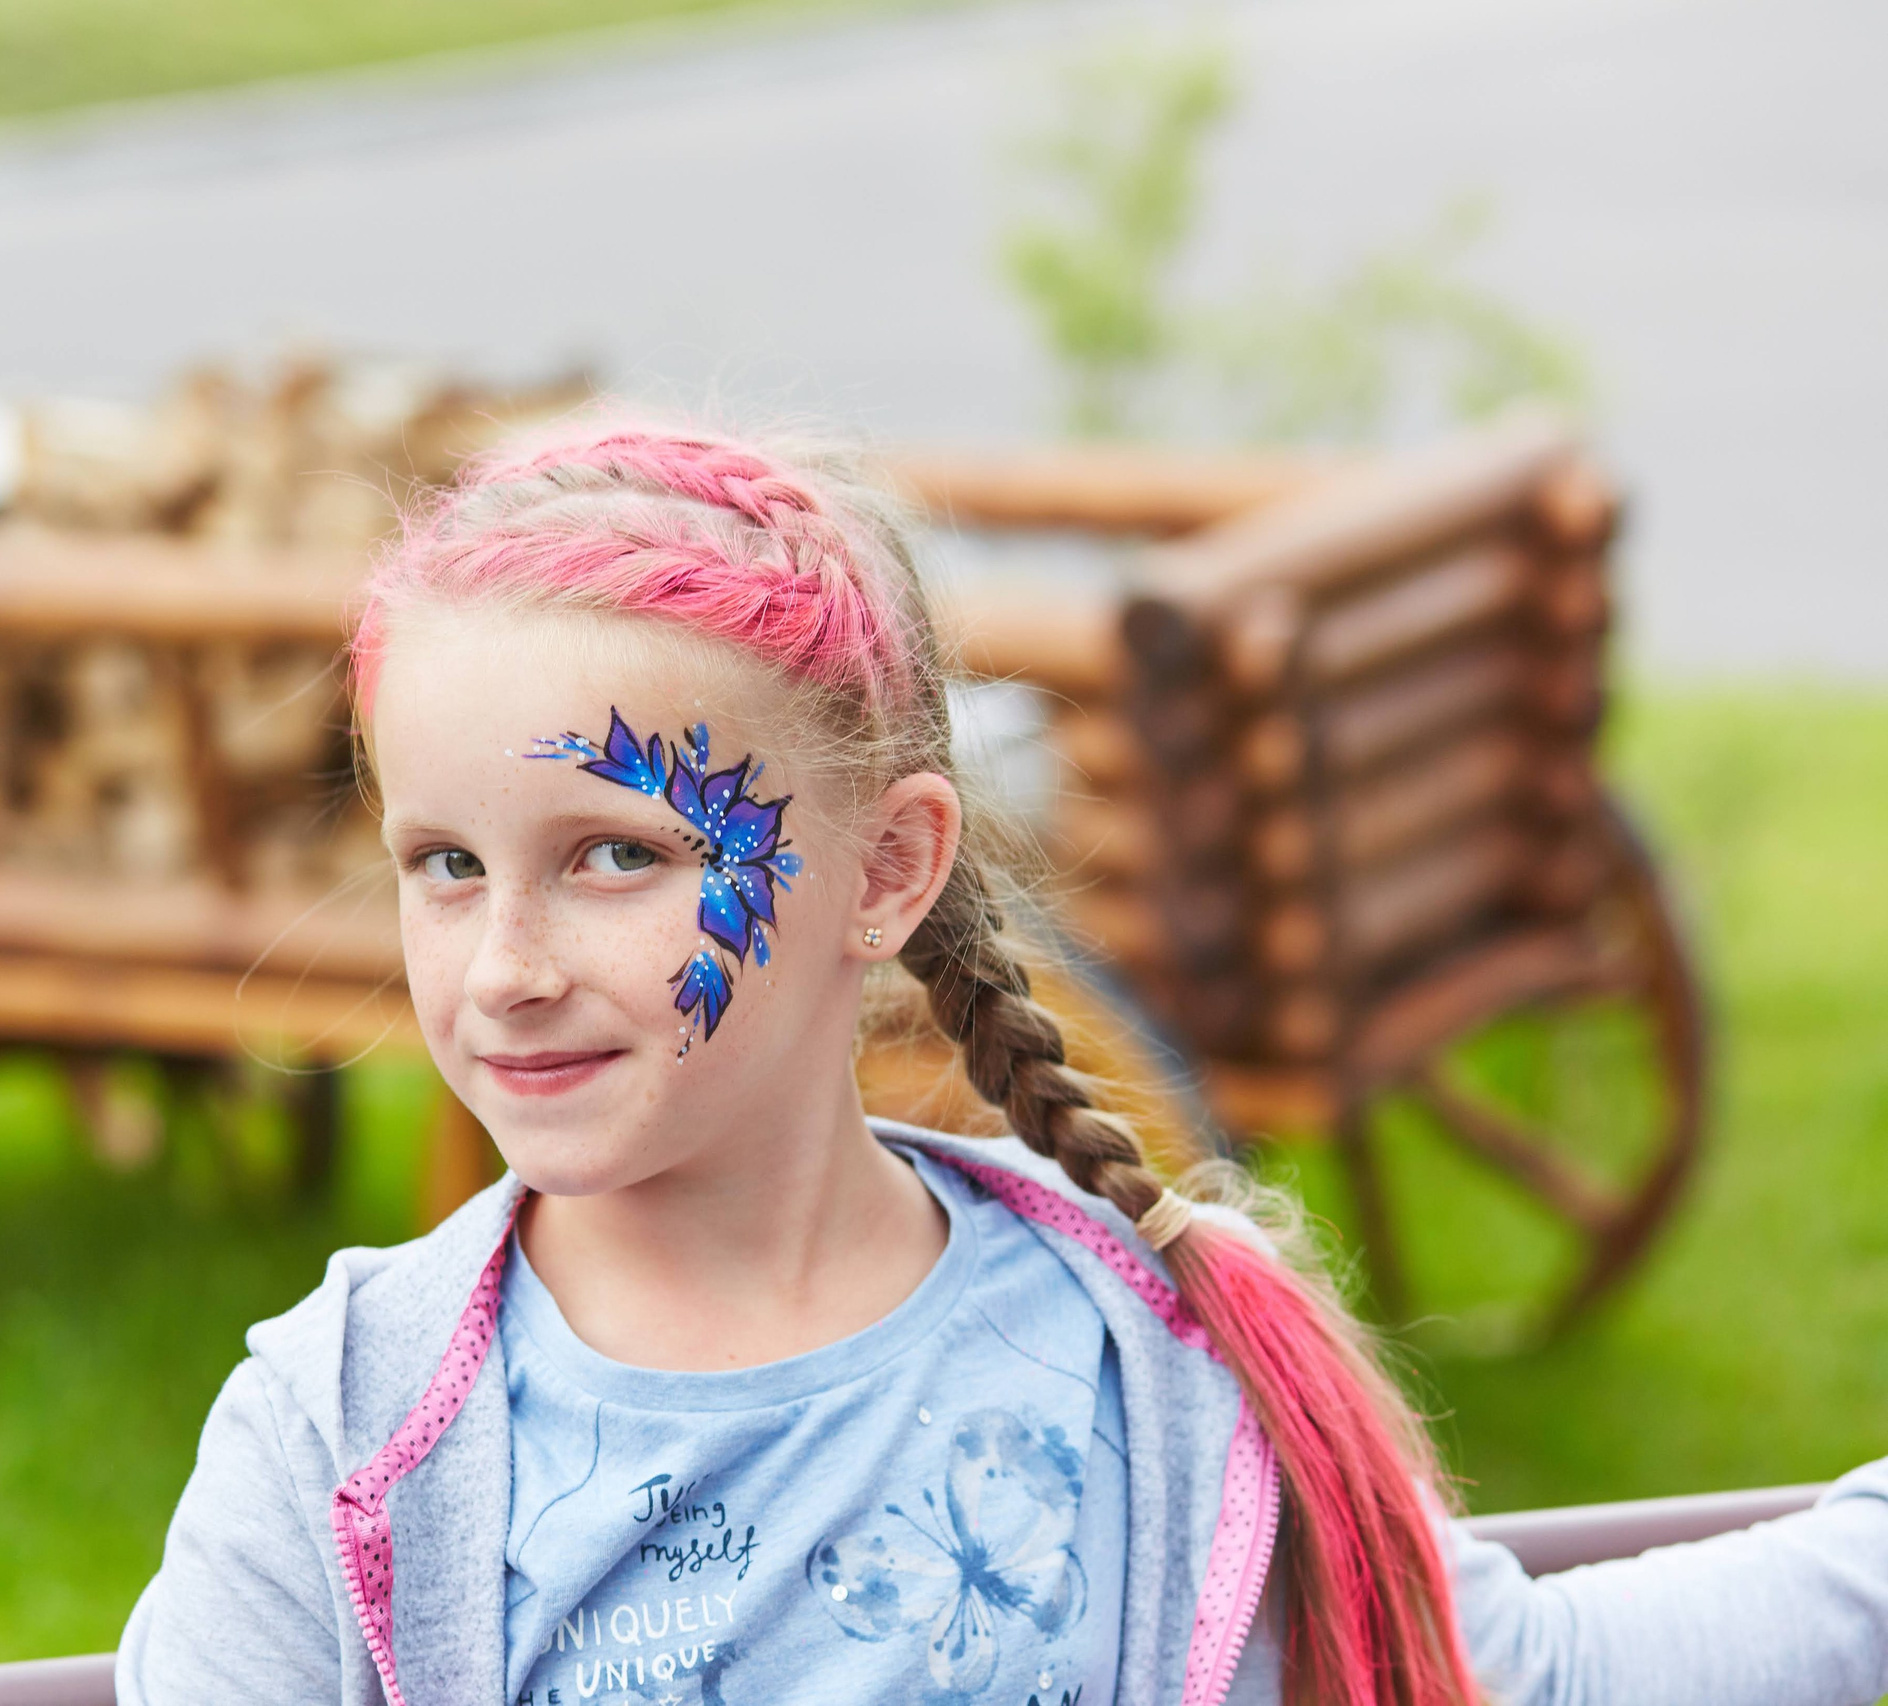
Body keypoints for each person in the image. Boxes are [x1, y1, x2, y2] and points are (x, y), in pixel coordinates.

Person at [116, 420, 1888, 1706]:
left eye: (616, 855)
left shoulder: (1151, 1360)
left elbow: (1530, 1675)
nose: (501, 968)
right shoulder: (349, 1434)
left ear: (885, 869)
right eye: (446, 864)